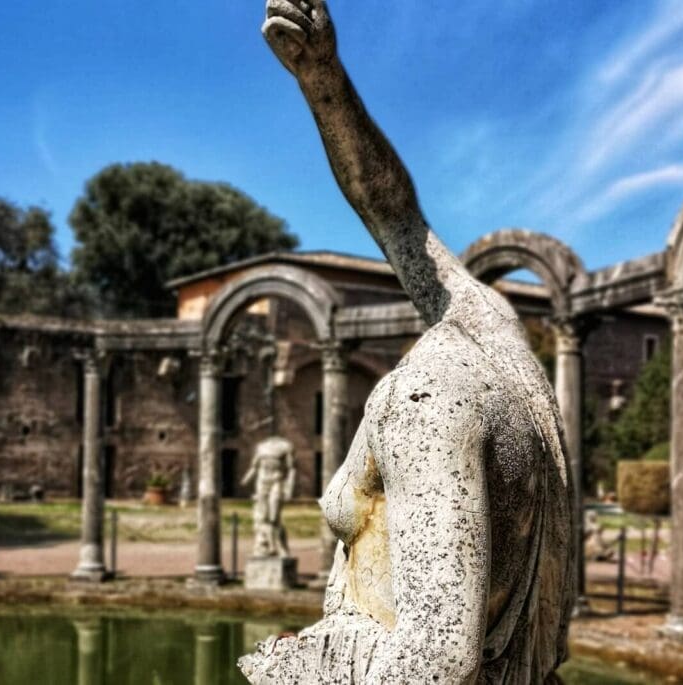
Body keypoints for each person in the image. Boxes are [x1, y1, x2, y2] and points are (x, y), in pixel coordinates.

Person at [240, 2, 575, 682]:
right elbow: (394, 214)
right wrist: (324, 81)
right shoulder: (502, 346)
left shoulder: (426, 400)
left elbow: (434, 661)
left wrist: (295, 668)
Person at [241, 436, 296, 558]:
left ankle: (279, 546)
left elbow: (291, 469)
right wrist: (246, 479)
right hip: (262, 483)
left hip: (277, 482)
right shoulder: (260, 447)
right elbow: (254, 467)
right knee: (263, 516)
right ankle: (267, 546)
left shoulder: (285, 447)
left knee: (274, 515)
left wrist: (289, 488)